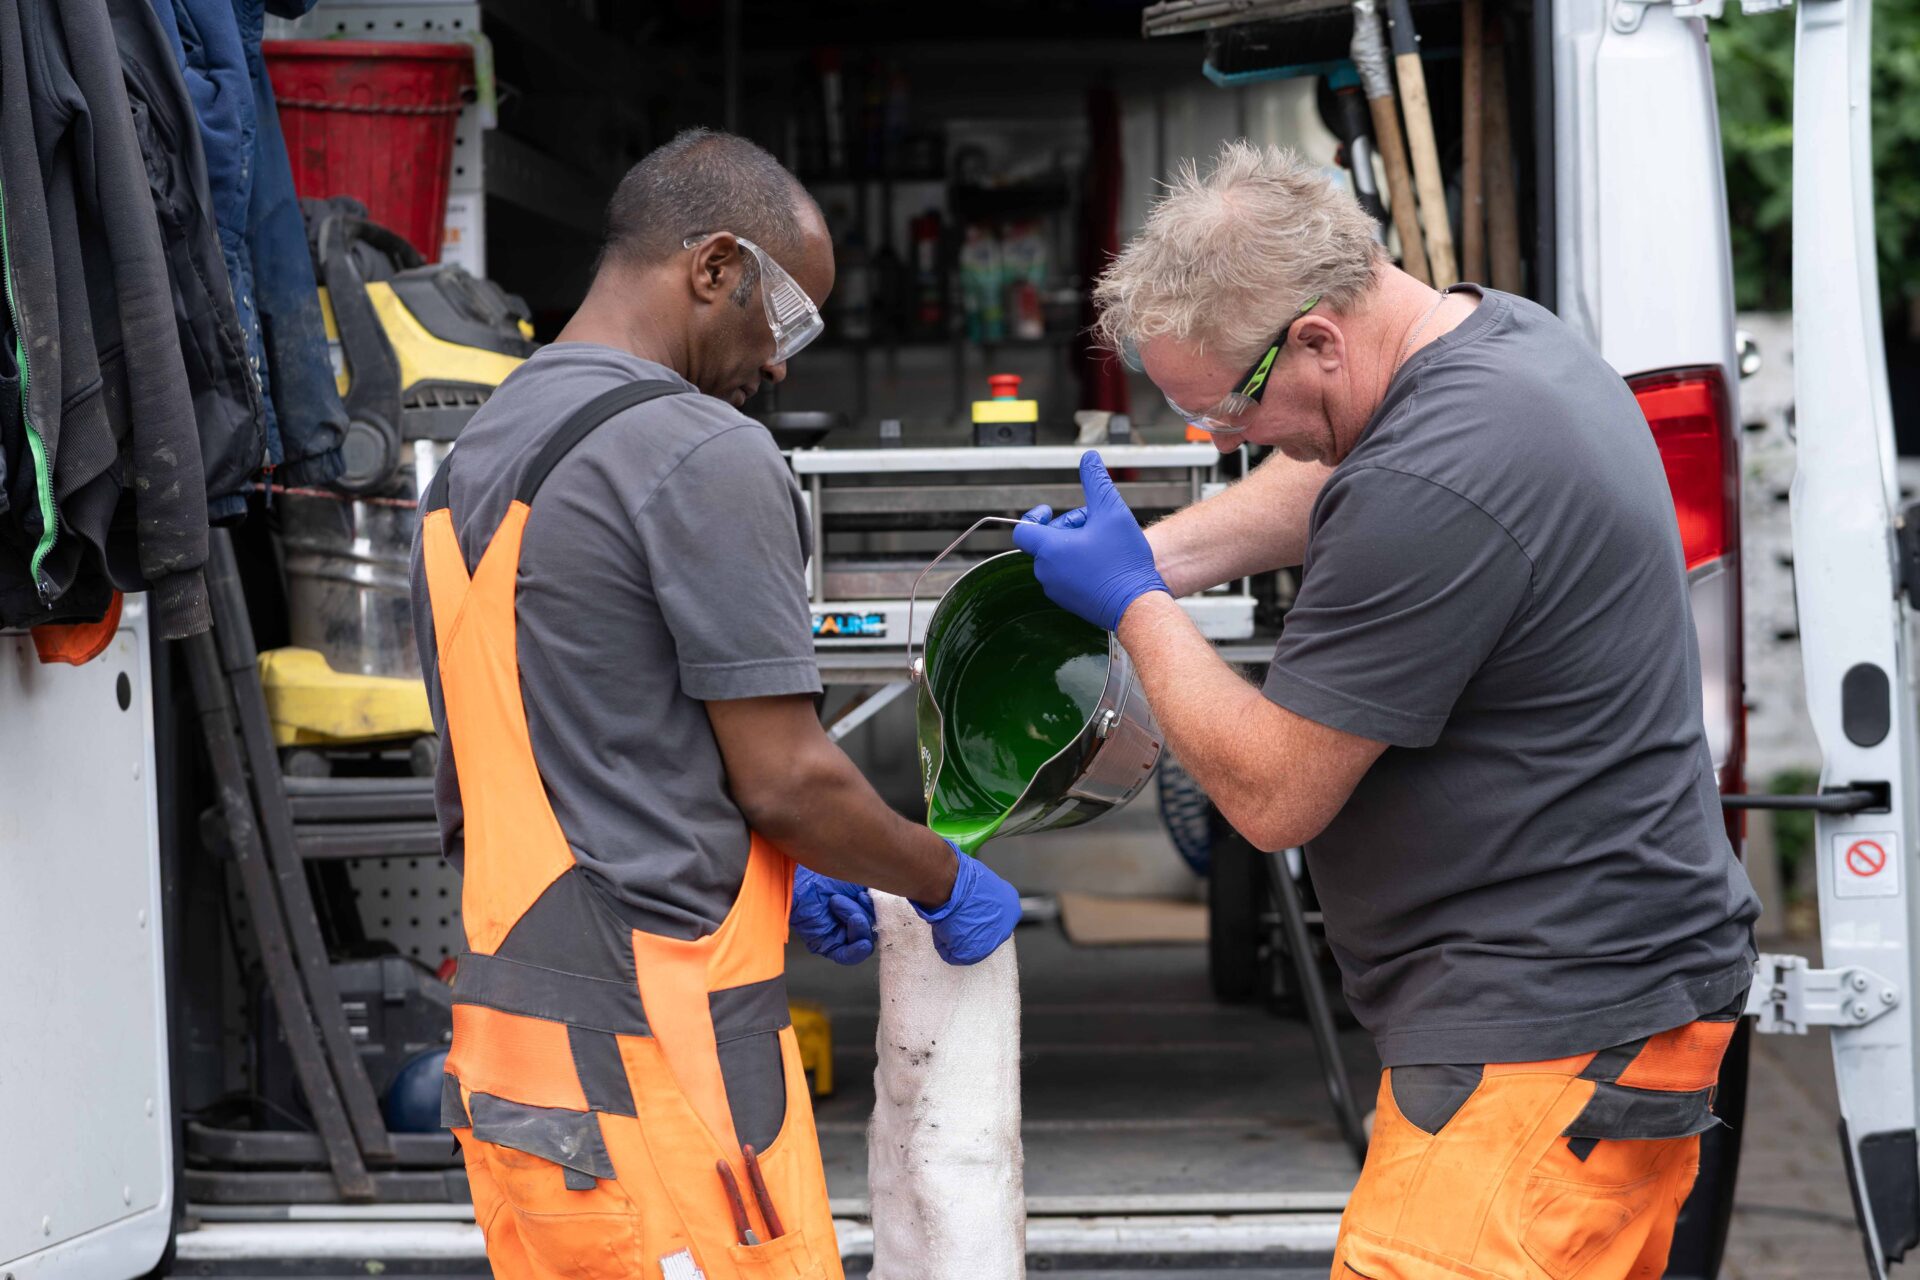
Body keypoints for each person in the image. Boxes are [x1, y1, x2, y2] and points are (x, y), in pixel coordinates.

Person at [1014, 141, 1759, 1280]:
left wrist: (1132, 604)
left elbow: (1274, 795)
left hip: (1543, 1046)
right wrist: (1157, 556)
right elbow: (1344, 467)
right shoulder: (1498, 343)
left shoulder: (1432, 475)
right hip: (1606, 1008)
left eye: (1231, 408)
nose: (1226, 440)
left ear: (1318, 337)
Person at [410, 128, 1020, 1280]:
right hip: (669, 1086)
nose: (781, 363)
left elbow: (532, 778)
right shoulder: (699, 450)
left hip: (520, 1084)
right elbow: (789, 779)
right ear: (715, 266)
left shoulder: (472, 460)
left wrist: (768, 877)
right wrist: (938, 875)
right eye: (786, 319)